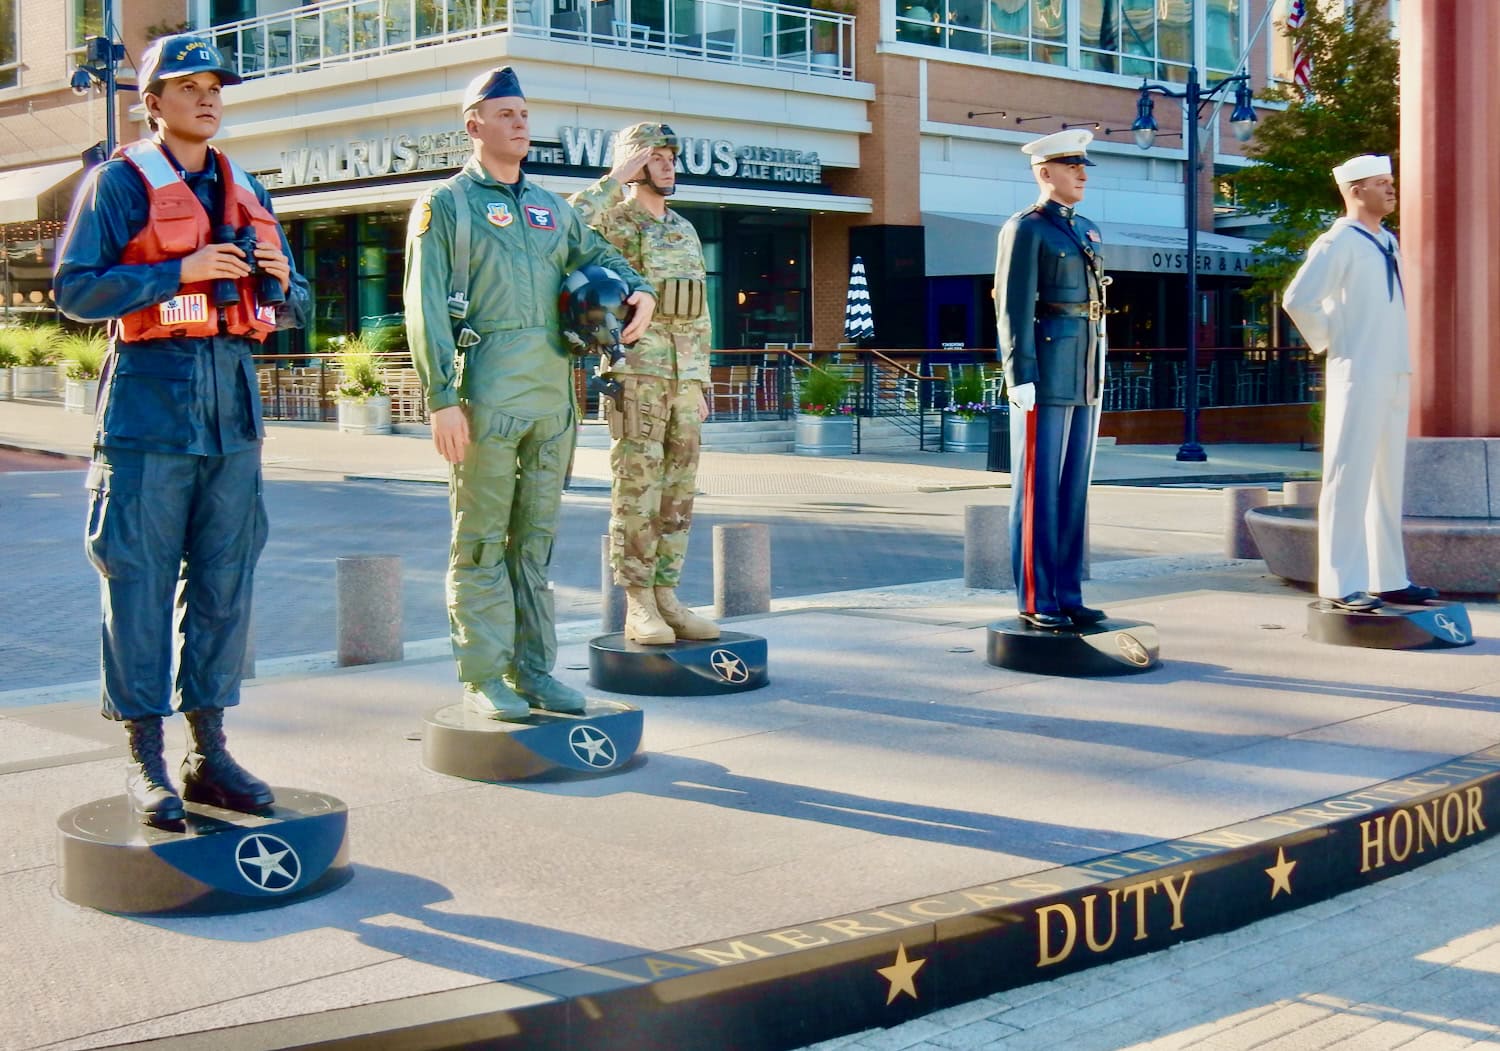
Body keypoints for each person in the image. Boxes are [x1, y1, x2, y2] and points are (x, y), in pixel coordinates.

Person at [54, 34, 310, 826]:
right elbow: (75, 289)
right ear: (151, 103)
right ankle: (144, 754)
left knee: (226, 582)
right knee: (137, 580)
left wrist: (275, 280)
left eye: (214, 86)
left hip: (232, 412)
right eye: (186, 85)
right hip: (147, 409)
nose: (206, 97)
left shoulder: (248, 187)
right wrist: (180, 271)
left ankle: (210, 749)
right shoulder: (117, 184)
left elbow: (296, 303)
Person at [403, 67, 656, 721]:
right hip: (485, 394)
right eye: (506, 112)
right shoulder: (448, 205)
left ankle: (535, 670)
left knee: (535, 540)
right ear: (474, 125)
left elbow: (602, 256)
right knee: (482, 540)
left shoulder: (551, 209)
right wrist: (440, 396)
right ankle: (485, 674)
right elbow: (425, 305)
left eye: (524, 112)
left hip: (552, 398)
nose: (520, 122)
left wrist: (642, 292)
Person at [567, 121, 719, 645]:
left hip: (682, 378)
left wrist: (698, 380)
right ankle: (637, 602)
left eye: (672, 156)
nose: (669, 164)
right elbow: (563, 227)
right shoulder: (610, 219)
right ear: (634, 163)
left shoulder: (684, 228)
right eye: (656, 156)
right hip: (636, 373)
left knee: (679, 488)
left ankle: (668, 595)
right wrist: (615, 179)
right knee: (638, 486)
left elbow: (699, 311)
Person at [1282, 154, 1437, 612]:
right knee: (1348, 476)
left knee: (1388, 478)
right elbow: (1299, 298)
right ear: (1355, 191)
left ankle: (1388, 576)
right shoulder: (1338, 243)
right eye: (1380, 183)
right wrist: (1337, 337)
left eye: (1391, 182)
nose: (1391, 190)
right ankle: (1339, 580)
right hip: (1358, 371)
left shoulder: (1387, 241)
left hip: (1392, 369)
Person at [995, 128, 1108, 631]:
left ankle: (1068, 592)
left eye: (1083, 166)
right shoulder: (1026, 228)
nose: (1082, 174)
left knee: (1074, 490)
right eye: (1071, 166)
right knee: (1039, 489)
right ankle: (1038, 597)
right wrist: (1019, 377)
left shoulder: (1083, 229)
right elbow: (1012, 308)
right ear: (1045, 173)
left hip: (1085, 370)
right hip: (1043, 370)